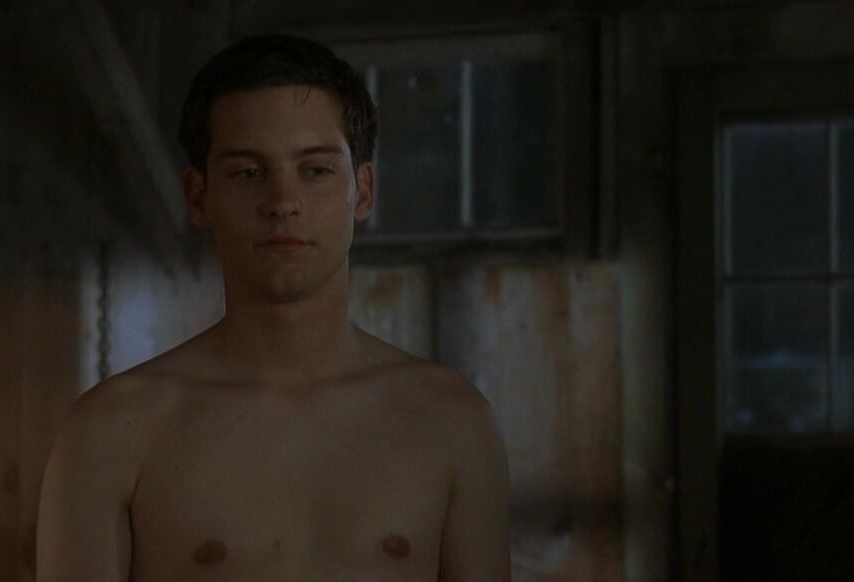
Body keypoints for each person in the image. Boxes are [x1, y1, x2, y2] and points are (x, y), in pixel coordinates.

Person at [36, 33, 511, 581]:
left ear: (362, 190)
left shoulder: (451, 421)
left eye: (315, 170)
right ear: (199, 196)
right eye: (248, 172)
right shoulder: (112, 432)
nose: (283, 202)